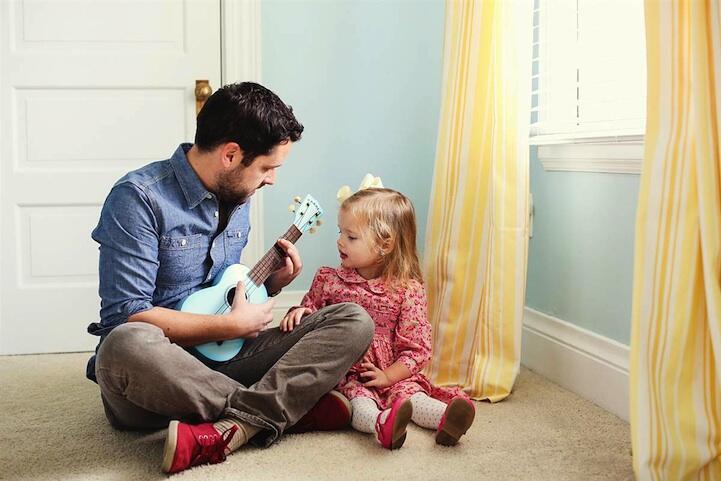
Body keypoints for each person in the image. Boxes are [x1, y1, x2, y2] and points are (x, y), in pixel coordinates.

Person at [85, 82, 374, 474]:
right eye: (267, 167)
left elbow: (221, 288)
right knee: (123, 344)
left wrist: (272, 284)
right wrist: (229, 324)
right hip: (155, 375)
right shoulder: (138, 198)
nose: (271, 179)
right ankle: (287, 411)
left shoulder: (238, 195)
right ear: (231, 155)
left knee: (353, 319)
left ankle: (236, 425)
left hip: (226, 358)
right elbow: (126, 315)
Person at [280, 187, 476, 450]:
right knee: (359, 403)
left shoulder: (408, 290)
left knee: (413, 397)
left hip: (396, 373)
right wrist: (298, 313)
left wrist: (388, 376)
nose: (340, 242)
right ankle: (381, 424)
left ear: (385, 244)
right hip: (350, 374)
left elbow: (417, 349)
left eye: (351, 237)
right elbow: (311, 312)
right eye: (340, 232)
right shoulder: (329, 280)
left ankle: (447, 420)